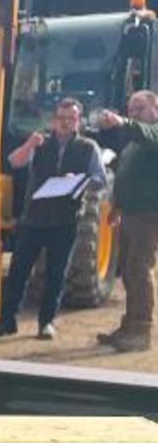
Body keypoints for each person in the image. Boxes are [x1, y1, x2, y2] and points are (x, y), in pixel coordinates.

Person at [0, 97, 107, 340]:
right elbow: (14, 162)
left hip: (66, 221)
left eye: (70, 118)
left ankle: (46, 323)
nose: (65, 123)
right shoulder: (40, 143)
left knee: (56, 274)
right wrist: (29, 145)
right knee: (18, 272)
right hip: (34, 220)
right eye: (61, 118)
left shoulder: (88, 148)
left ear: (78, 121)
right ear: (53, 120)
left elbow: (99, 179)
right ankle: (6, 321)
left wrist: (78, 181)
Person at [92, 89, 158, 353]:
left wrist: (122, 122)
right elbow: (126, 175)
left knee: (140, 270)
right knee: (130, 273)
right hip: (130, 213)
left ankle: (141, 331)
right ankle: (129, 326)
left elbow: (146, 134)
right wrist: (116, 207)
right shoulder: (133, 143)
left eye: (140, 108)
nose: (134, 114)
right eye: (131, 109)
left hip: (148, 215)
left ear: (155, 109)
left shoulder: (152, 133)